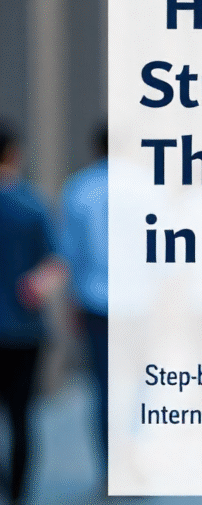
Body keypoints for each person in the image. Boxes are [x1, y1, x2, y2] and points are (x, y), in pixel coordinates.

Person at [0, 121, 65, 505]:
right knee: (21, 418)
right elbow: (55, 267)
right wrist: (35, 287)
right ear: (14, 154)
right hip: (23, 329)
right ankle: (18, 504)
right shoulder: (32, 204)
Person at [60, 123, 108, 471]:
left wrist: (70, 303)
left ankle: (110, 465)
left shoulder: (80, 188)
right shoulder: (151, 188)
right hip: (139, 304)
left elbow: (70, 256)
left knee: (103, 385)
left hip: (95, 301)